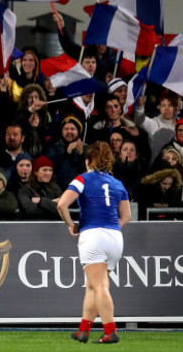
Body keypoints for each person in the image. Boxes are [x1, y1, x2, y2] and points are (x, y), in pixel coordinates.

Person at [57, 141, 131, 344]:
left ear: (88, 160)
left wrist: (72, 225)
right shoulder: (118, 183)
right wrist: (111, 228)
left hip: (93, 235)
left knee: (99, 286)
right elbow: (126, 216)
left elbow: (62, 204)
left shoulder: (83, 179)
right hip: (115, 237)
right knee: (93, 286)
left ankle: (110, 331)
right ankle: (83, 331)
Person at [17, 156, 62, 221]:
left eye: (50, 170)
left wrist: (41, 201)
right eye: (44, 170)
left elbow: (61, 208)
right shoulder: (25, 190)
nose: (48, 173)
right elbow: (30, 210)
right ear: (36, 172)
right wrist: (51, 205)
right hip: (32, 226)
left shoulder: (56, 188)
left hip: (53, 227)